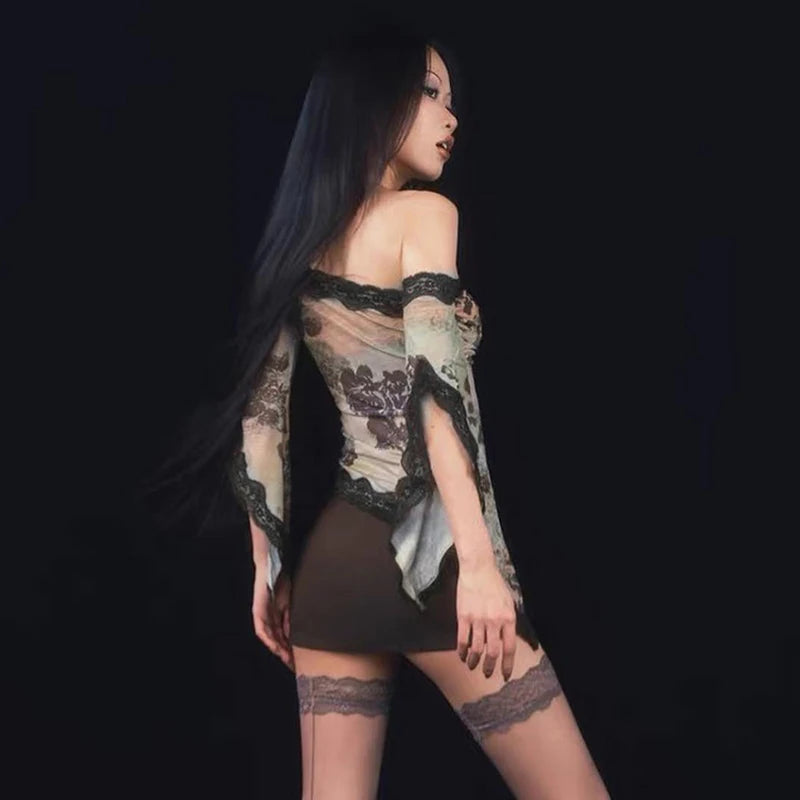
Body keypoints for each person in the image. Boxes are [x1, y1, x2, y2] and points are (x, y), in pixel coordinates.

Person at [142, 22, 611, 799]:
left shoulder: (303, 239)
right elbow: (435, 384)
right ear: (372, 99)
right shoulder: (425, 215)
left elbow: (264, 412)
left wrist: (268, 567)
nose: (451, 117)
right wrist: (479, 567)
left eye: (451, 100)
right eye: (429, 92)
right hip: (435, 562)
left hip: (334, 569)